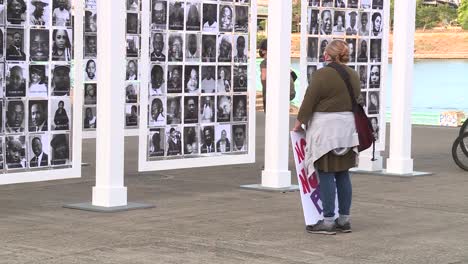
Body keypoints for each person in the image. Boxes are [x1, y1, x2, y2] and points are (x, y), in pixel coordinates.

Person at [293, 40, 360, 235]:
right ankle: (344, 220)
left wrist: (299, 123)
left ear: (328, 55)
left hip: (326, 130)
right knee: (343, 173)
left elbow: (309, 100)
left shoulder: (322, 74)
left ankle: (328, 220)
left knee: (326, 172)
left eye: (325, 52)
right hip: (347, 128)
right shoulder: (353, 74)